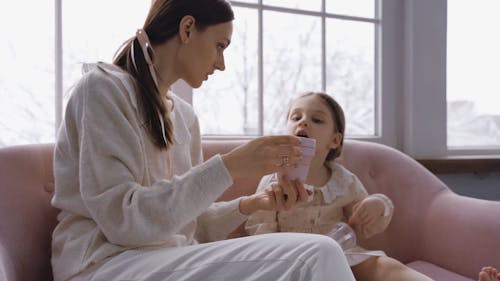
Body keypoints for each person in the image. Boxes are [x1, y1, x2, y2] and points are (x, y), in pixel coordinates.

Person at [50, 1, 357, 281]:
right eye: (219, 46)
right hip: (104, 265)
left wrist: (250, 205)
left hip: (165, 260)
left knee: (318, 253)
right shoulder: (103, 89)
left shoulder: (184, 117)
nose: (221, 63)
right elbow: (125, 221)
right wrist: (230, 166)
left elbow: (188, 225)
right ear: (187, 29)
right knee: (319, 254)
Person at [245, 91, 437, 281]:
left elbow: (363, 216)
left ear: (334, 140)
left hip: (341, 253)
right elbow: (260, 228)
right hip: (293, 258)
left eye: (317, 120)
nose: (303, 122)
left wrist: (376, 205)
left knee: (383, 265)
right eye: (296, 117)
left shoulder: (343, 180)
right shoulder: (273, 181)